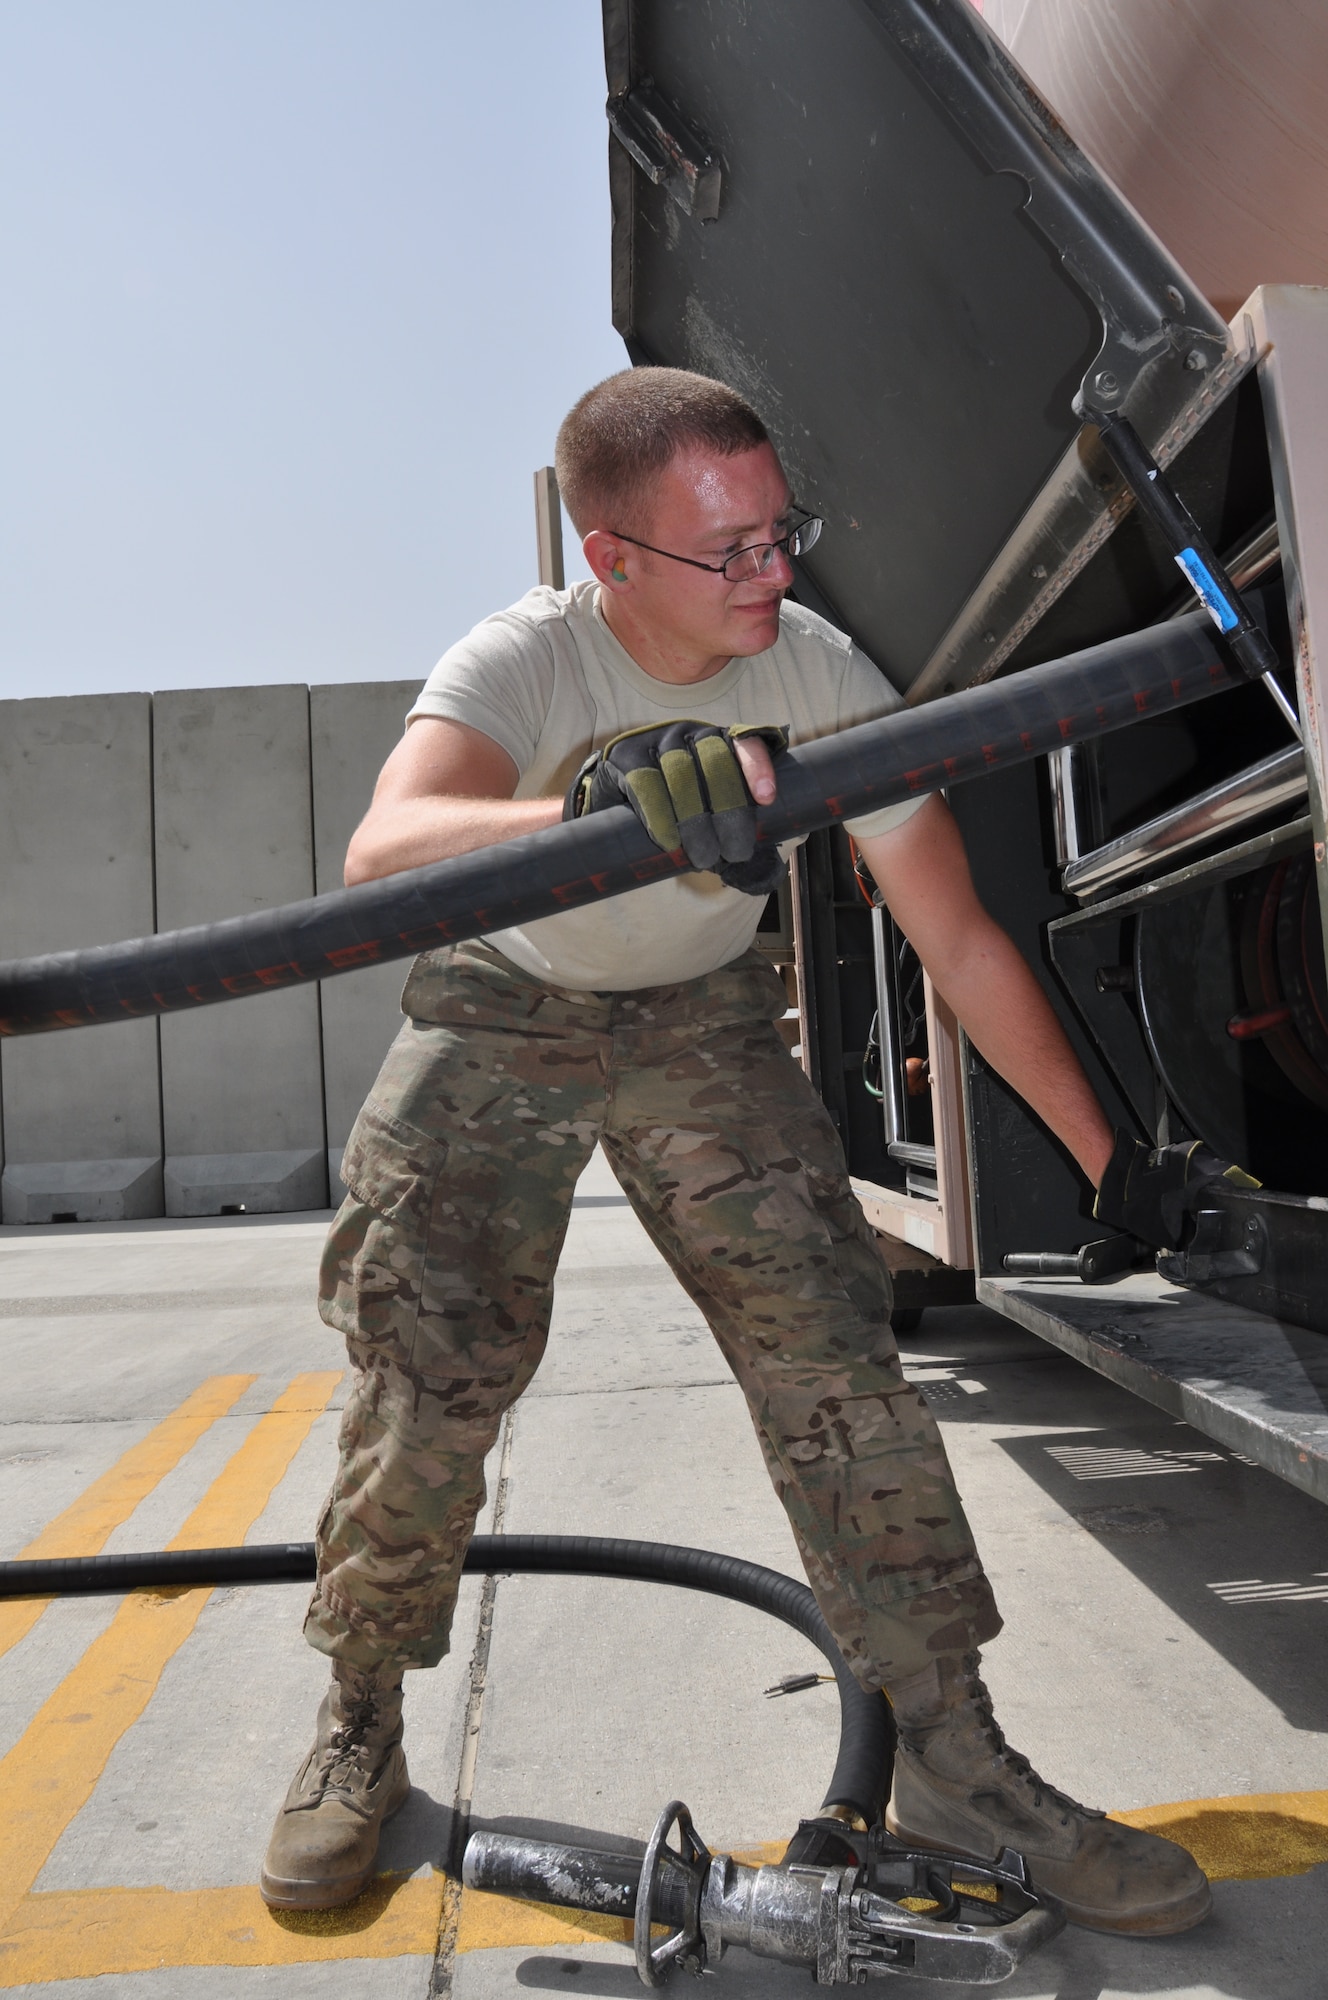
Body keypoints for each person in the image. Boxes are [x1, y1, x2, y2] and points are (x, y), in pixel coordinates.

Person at [261, 367, 1234, 1934]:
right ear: (613, 557)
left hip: (705, 1025)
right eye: (731, 552)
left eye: (784, 532)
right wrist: (590, 809)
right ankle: (359, 1718)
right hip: (504, 1011)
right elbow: (387, 847)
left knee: (839, 1378)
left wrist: (1113, 1158)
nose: (774, 574)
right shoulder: (528, 659)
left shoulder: (820, 674)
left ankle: (957, 1753)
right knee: (426, 1376)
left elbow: (962, 942)